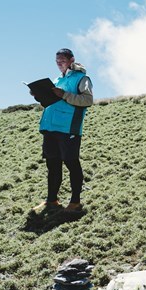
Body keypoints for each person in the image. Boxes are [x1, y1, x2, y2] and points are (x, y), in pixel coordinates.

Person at [32, 48, 93, 214]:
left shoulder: (82, 78)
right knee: (52, 165)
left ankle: (75, 202)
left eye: (62, 61)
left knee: (72, 163)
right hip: (50, 128)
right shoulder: (57, 80)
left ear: (71, 60)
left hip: (68, 128)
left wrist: (64, 94)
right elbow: (52, 101)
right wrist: (38, 95)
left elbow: (87, 100)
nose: (59, 64)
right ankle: (52, 200)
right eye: (57, 61)